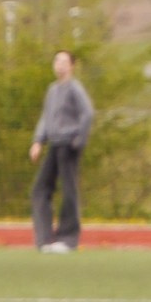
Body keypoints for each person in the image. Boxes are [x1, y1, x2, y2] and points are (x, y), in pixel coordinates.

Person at [28, 51, 94, 253]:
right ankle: (45, 239)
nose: (60, 65)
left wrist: (79, 140)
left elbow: (88, 113)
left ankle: (68, 239)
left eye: (64, 61)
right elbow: (46, 117)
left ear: (72, 66)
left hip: (69, 145)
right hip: (54, 144)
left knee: (69, 191)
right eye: (56, 60)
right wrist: (38, 141)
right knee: (39, 190)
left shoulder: (75, 88)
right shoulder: (52, 90)